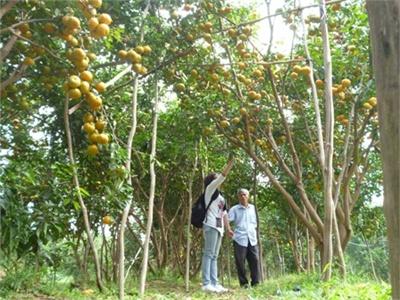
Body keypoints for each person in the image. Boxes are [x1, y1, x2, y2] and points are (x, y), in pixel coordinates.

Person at [201, 158, 234, 293]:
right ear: (212, 181)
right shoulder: (209, 190)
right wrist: (229, 165)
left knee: (214, 255)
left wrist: (228, 228)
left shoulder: (220, 196)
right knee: (208, 253)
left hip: (219, 228)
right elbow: (222, 177)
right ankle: (206, 283)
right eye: (215, 178)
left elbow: (224, 213)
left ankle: (214, 283)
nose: (218, 180)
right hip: (210, 226)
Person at [227, 188, 260, 288]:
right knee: (240, 261)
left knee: (254, 260)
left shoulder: (253, 208)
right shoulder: (234, 209)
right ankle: (244, 283)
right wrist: (228, 229)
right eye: (241, 195)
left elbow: (256, 222)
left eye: (245, 194)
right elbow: (227, 219)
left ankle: (255, 282)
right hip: (240, 238)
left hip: (252, 238)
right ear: (238, 197)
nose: (243, 196)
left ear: (248, 196)